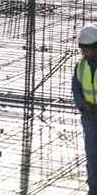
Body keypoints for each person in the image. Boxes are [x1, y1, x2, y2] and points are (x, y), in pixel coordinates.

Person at [73, 25, 97, 195]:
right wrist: (82, 105)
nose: (84, 53)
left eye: (87, 49)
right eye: (83, 49)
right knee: (92, 152)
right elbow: (76, 88)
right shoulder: (80, 66)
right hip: (89, 116)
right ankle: (94, 186)